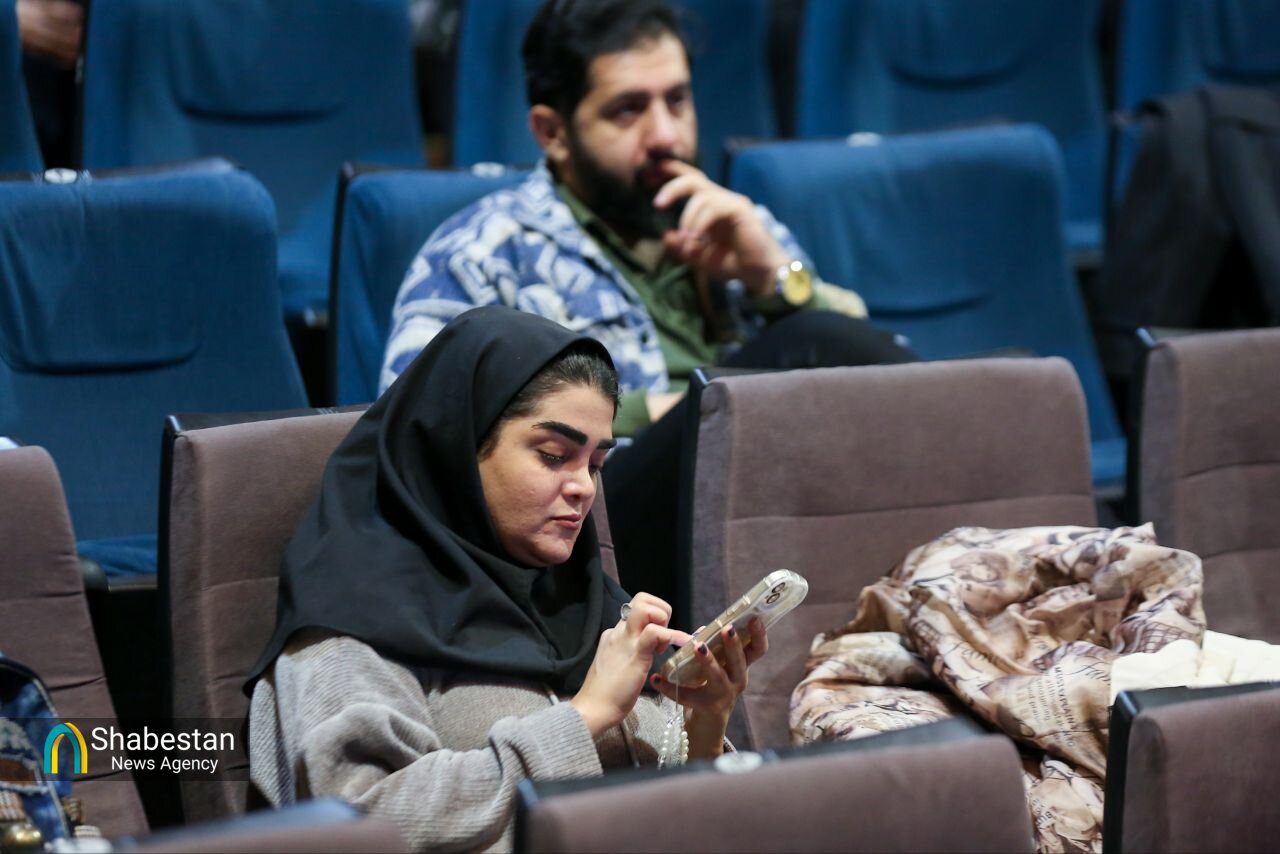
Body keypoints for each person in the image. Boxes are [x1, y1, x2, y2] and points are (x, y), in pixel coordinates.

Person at [381, 0, 914, 611]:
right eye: (628, 110)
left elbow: (877, 377)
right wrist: (651, 412)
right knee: (811, 348)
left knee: (834, 358)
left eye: (677, 101)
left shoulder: (732, 222)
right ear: (553, 133)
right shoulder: (480, 253)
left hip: (769, 514)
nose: (666, 135)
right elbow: (422, 442)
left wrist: (773, 278)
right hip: (591, 540)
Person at [247, 307, 768, 852]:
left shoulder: (586, 604)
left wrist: (705, 728)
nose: (584, 488)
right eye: (554, 456)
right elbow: (365, 823)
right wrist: (584, 717)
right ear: (459, 447)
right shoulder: (351, 623)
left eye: (594, 464)